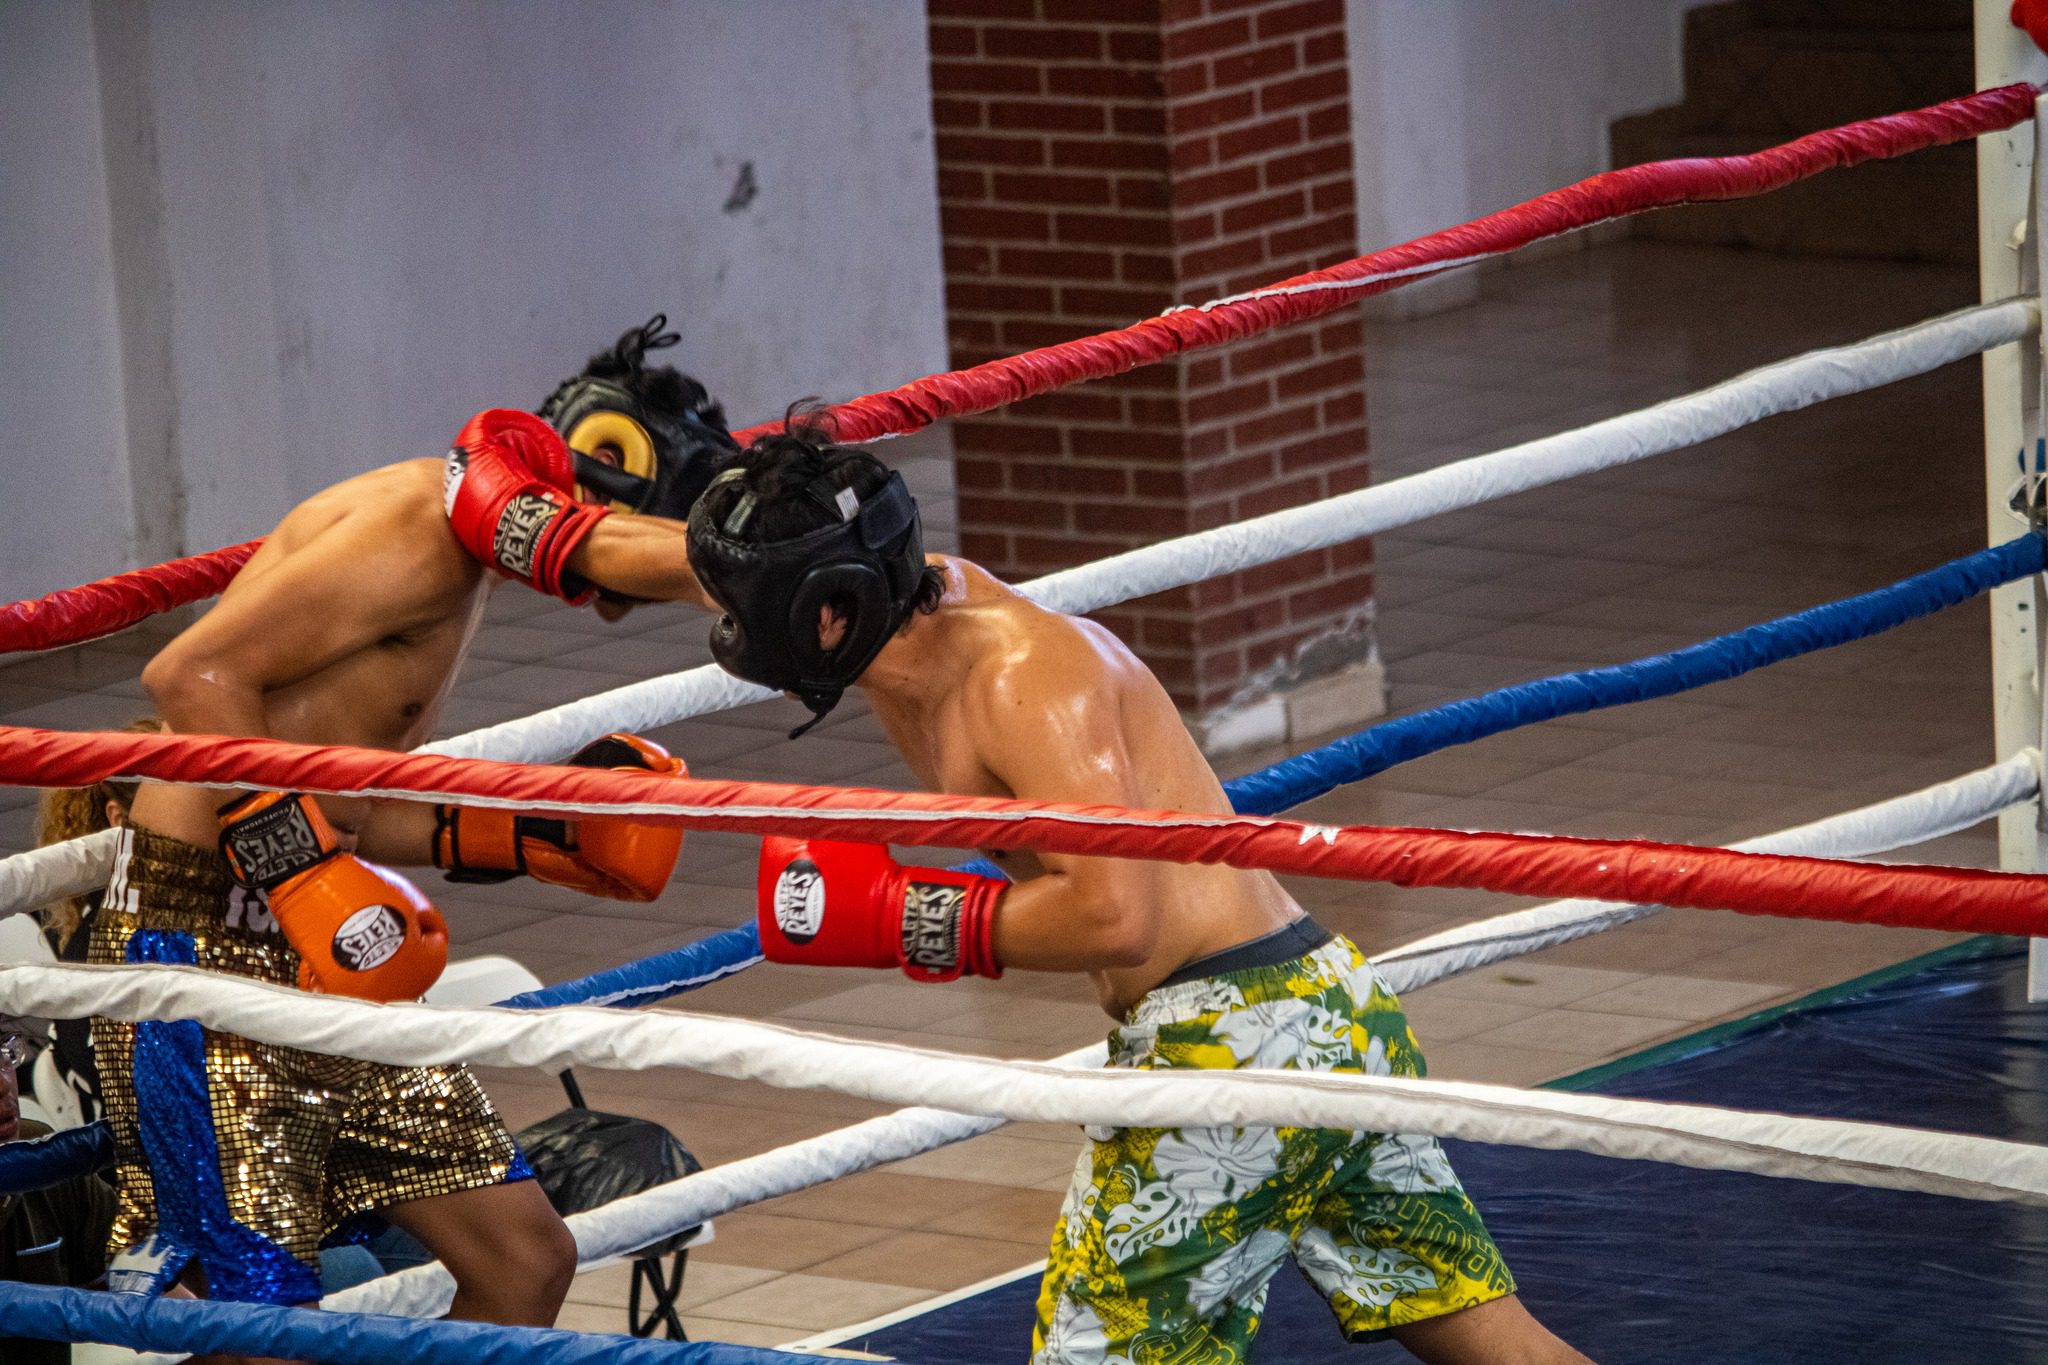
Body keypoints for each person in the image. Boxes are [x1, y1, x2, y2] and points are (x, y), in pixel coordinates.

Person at [672, 417, 1590, 1364]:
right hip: (1323, 1018)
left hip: (1226, 1057)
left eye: (751, 612)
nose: (735, 637)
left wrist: (905, 915)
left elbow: (1114, 910)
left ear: (827, 614)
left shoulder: (1023, 681)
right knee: (1495, 1343)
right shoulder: (912, 605)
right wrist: (551, 532)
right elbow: (711, 561)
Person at [99, 316, 733, 1352]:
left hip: (326, 958)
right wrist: (296, 861)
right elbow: (191, 679)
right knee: (256, 1319)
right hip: (201, 955)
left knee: (524, 1256)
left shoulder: (463, 561)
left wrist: (528, 835)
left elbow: (339, 795)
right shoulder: (414, 526)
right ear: (601, 480)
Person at [33, 717, 162, 1127]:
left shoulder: (219, 902)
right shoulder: (100, 946)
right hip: (152, 1172)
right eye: (184, 808)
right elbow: (125, 1083)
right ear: (119, 821)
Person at [0, 1012, 120, 1365]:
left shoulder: (46, 1156)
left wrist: (252, 1338)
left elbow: (168, 1305)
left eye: (3, 1052)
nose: (3, 1085)